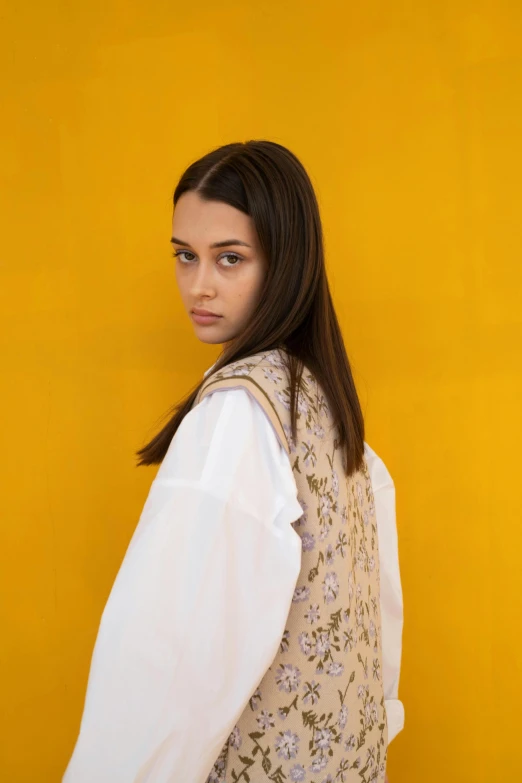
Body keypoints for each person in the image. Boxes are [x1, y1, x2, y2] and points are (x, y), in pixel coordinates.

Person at [62, 140, 404, 783]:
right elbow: (377, 620)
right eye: (185, 256)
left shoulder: (238, 419)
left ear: (288, 261)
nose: (200, 285)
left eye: (230, 258)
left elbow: (168, 666)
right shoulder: (323, 401)